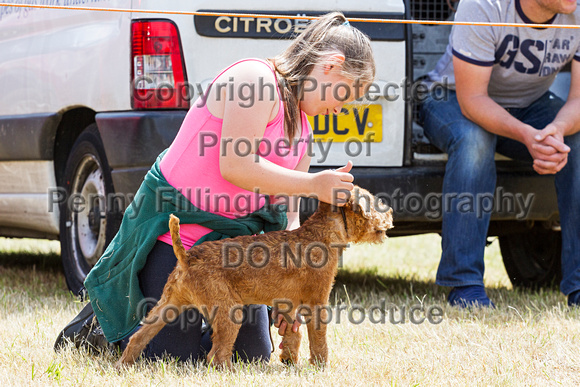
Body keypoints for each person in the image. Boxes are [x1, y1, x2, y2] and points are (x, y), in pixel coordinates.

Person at [54, 12, 376, 363]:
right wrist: (315, 184)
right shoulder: (255, 80)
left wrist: (292, 291)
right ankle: (101, 322)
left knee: (249, 356)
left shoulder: (304, 131)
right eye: (347, 95)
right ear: (331, 65)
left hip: (236, 255)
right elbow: (236, 165)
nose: (342, 109)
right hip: (177, 235)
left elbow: (288, 218)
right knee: (171, 359)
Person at [420, 0, 580, 307]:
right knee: (474, 141)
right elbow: (473, 100)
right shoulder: (484, 6)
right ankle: (464, 284)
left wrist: (557, 129)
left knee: (576, 137)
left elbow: (578, 99)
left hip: (529, 104)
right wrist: (526, 135)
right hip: (449, 97)